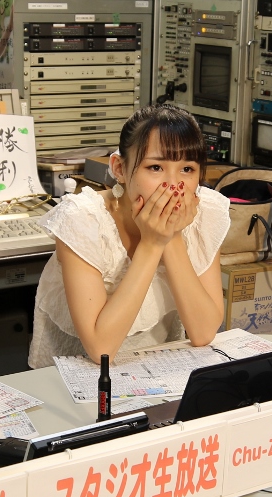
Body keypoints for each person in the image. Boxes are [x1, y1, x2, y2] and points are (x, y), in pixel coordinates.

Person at [29, 104, 231, 367]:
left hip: (157, 372)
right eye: (155, 167)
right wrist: (153, 243)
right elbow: (101, 349)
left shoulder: (203, 212)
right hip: (73, 374)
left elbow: (203, 332)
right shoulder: (82, 219)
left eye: (187, 169)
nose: (173, 185)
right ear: (120, 169)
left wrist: (172, 237)